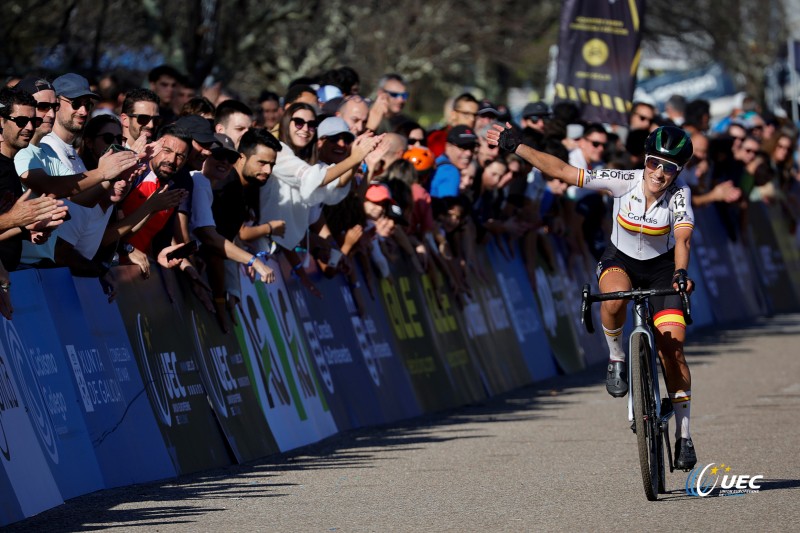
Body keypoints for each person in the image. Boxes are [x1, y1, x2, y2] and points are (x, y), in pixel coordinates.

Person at [488, 123, 699, 470]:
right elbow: (564, 171)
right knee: (613, 297)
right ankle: (617, 357)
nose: (659, 173)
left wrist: (680, 274)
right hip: (620, 260)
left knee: (672, 351)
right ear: (644, 160)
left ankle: (684, 435)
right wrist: (518, 147)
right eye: (653, 163)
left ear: (679, 171)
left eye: (669, 168)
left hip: (663, 268)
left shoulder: (680, 195)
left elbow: (683, 238)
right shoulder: (624, 180)